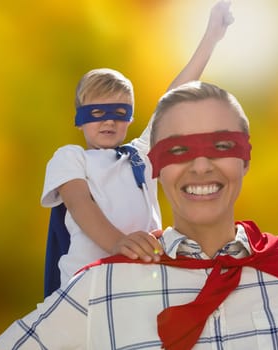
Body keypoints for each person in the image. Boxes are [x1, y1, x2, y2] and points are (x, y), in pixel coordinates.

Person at [0, 81, 278, 349]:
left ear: (245, 159)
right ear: (155, 168)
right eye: (180, 149)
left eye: (220, 146)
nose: (201, 165)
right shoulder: (100, 287)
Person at [41, 1, 234, 296]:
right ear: (79, 119)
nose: (108, 121)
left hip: (143, 282)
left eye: (118, 112)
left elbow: (175, 97)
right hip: (86, 289)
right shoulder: (70, 157)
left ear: (129, 118)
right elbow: (80, 204)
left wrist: (211, 36)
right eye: (96, 113)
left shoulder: (140, 155)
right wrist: (118, 243)